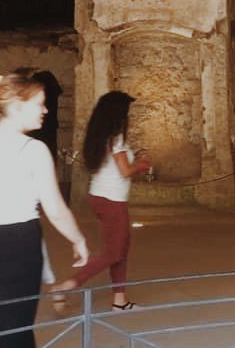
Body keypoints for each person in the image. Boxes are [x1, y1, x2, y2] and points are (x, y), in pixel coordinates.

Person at [0, 72, 88, 347]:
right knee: (12, 325)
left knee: (7, 320)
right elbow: (56, 209)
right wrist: (78, 239)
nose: (46, 110)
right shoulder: (33, 149)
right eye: (39, 104)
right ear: (16, 107)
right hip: (17, 244)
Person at [52, 90, 150, 311]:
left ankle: (119, 301)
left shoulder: (102, 136)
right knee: (113, 252)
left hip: (101, 196)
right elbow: (124, 171)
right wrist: (141, 164)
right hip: (112, 200)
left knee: (121, 249)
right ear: (118, 113)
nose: (129, 116)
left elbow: (116, 164)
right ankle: (67, 285)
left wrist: (134, 153)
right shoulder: (116, 138)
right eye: (127, 112)